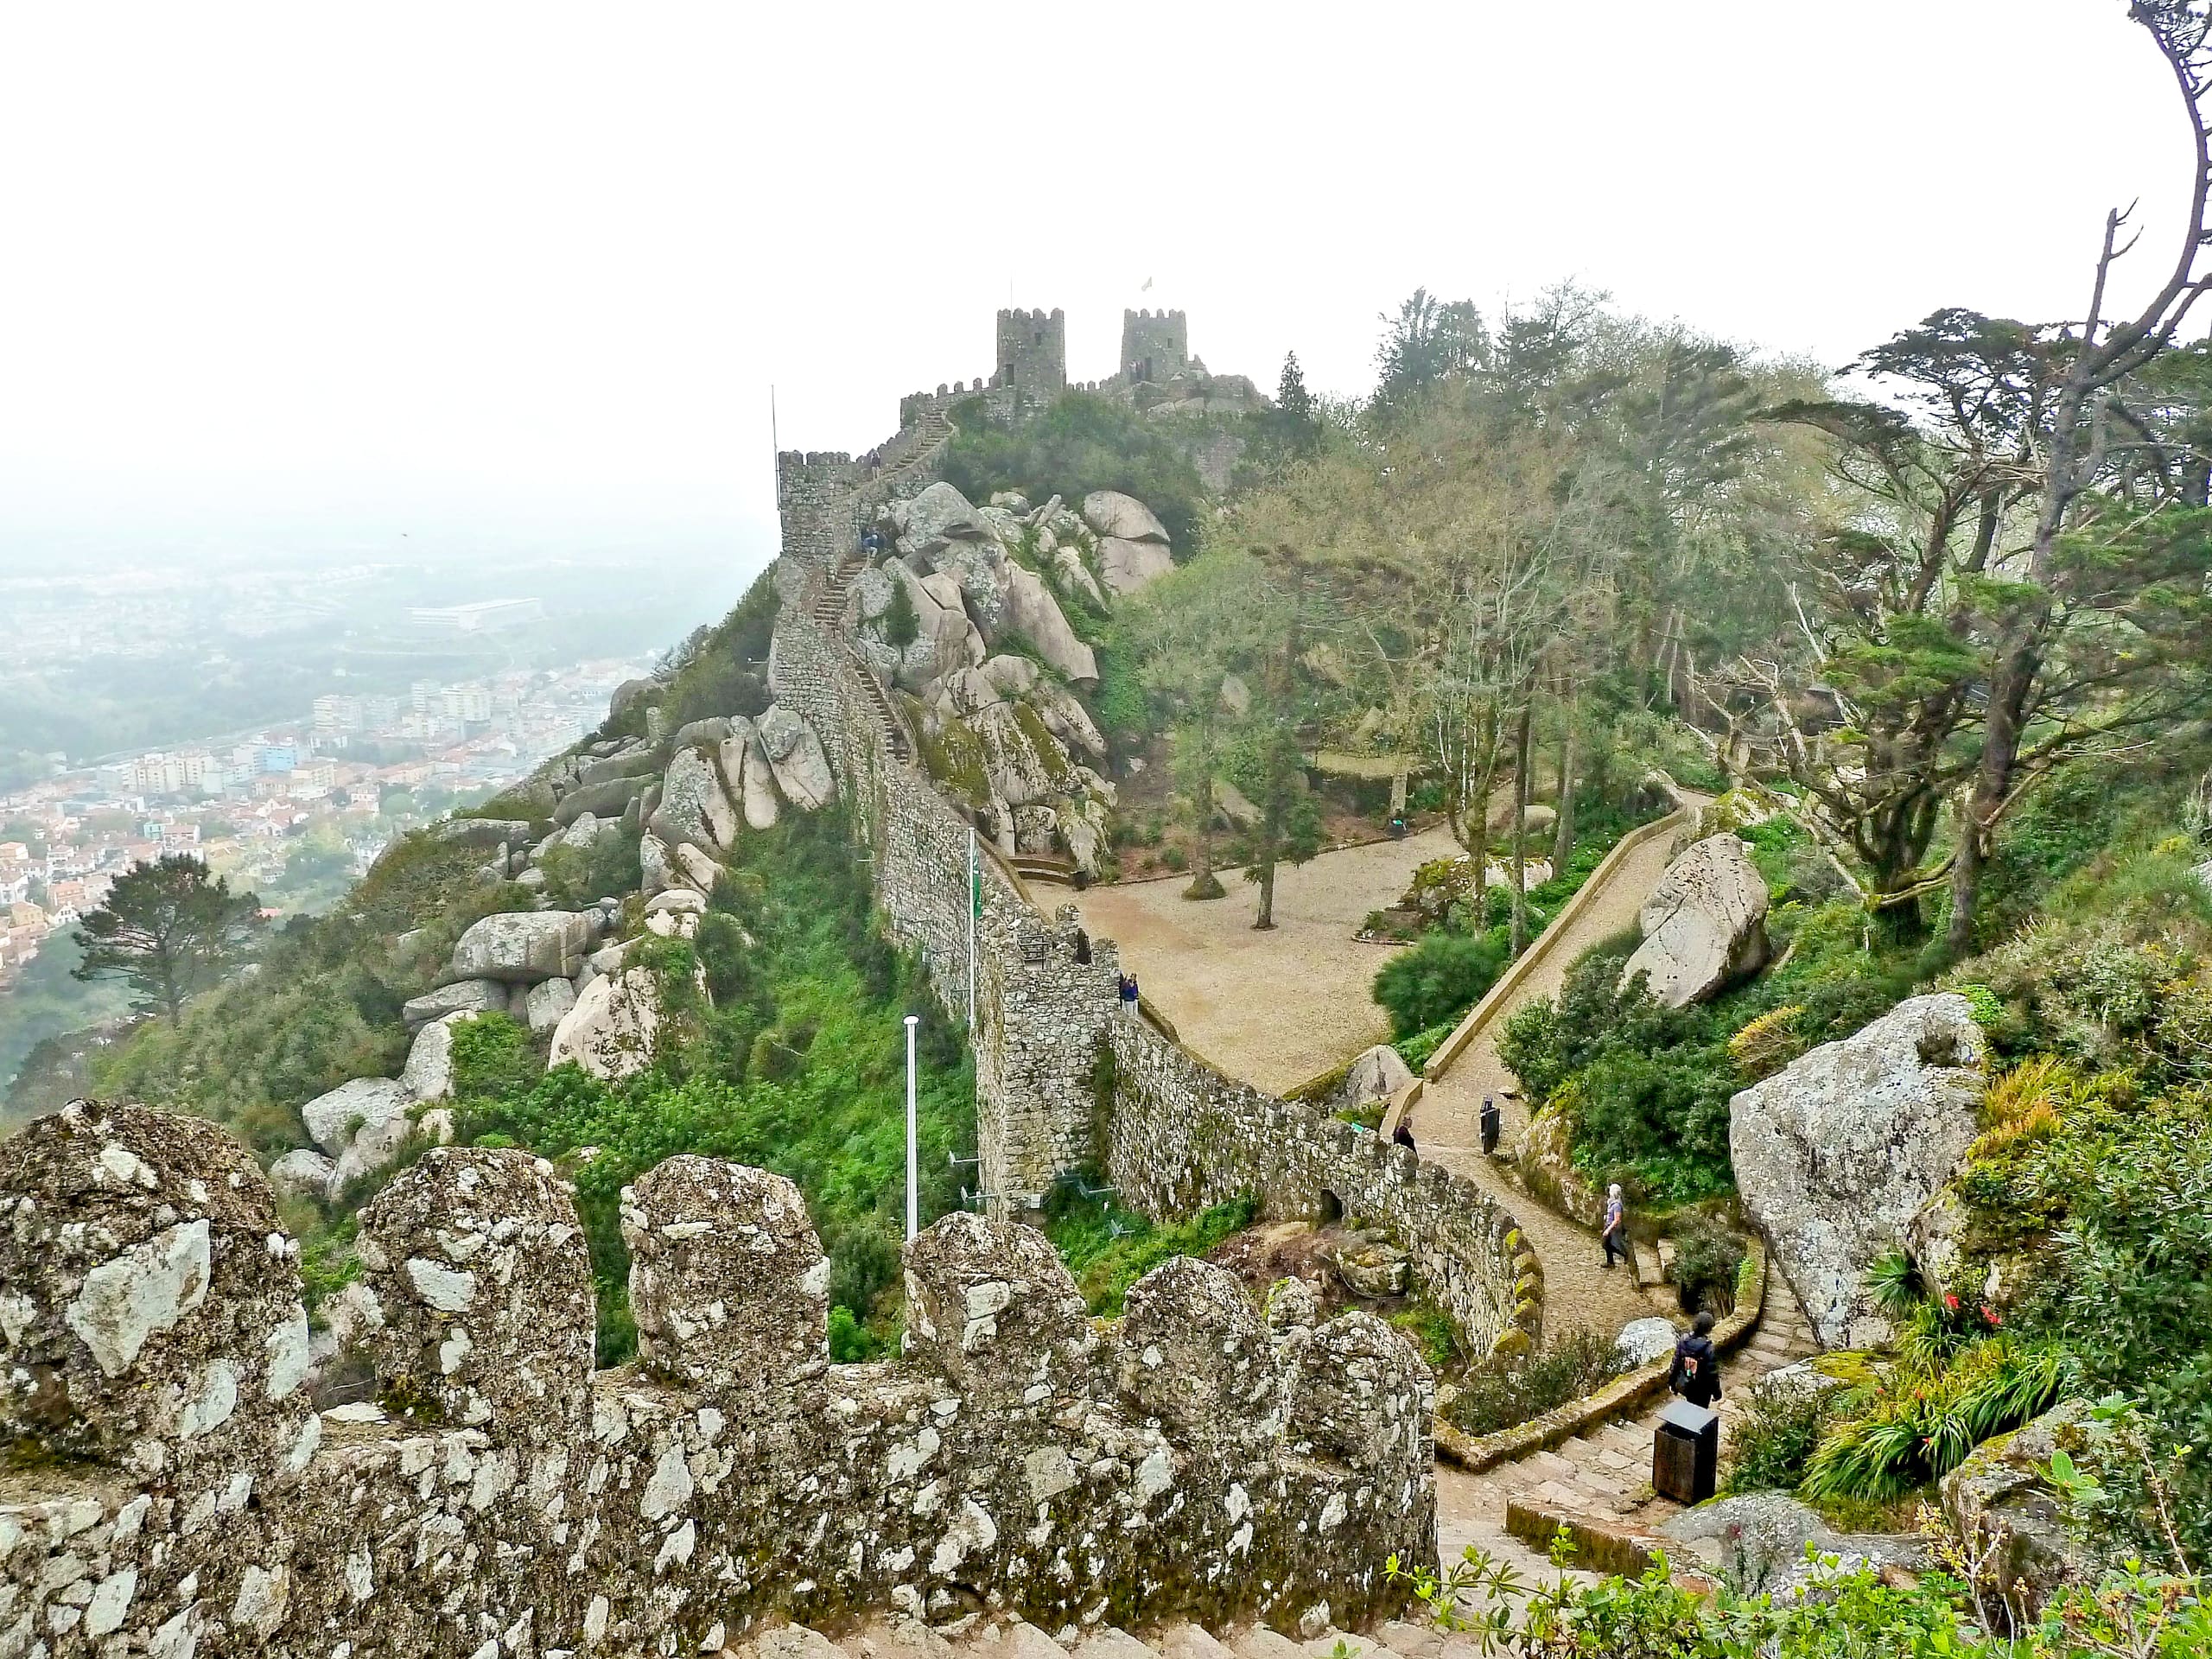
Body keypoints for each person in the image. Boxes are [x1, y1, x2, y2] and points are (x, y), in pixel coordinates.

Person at [1669, 1312, 1722, 1408]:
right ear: (1708, 1329)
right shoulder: (1708, 1348)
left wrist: (1672, 1384)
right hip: (1703, 1390)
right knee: (1701, 1412)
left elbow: (1675, 1364)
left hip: (1687, 1385)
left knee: (1690, 1406)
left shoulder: (1683, 1341)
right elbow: (1712, 1375)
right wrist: (1717, 1393)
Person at [1600, 1183, 1628, 1268]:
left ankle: (1625, 1254)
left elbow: (1617, 1219)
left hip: (1612, 1228)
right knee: (1606, 1244)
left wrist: (1608, 1230)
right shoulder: (1612, 1203)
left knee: (1607, 1244)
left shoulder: (1617, 1205)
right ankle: (1610, 1262)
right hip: (1609, 1225)